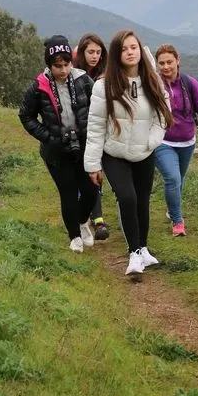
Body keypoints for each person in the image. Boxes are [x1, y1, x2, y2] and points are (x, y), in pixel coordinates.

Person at [84, 30, 172, 275]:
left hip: (144, 152)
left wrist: (151, 142)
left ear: (140, 51)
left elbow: (162, 117)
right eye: (124, 49)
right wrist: (92, 164)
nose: (130, 52)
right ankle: (133, 253)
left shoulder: (153, 81)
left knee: (142, 201)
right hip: (114, 152)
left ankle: (143, 249)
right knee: (127, 198)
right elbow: (96, 125)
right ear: (116, 54)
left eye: (134, 47)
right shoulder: (104, 86)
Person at [19, 35, 98, 253]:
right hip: (56, 150)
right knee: (68, 192)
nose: (63, 70)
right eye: (57, 66)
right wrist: (48, 137)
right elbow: (26, 116)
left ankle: (83, 221)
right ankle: (74, 236)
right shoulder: (38, 86)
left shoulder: (83, 81)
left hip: (83, 146)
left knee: (91, 191)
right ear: (49, 65)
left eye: (66, 64)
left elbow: (99, 109)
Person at [154, 43, 198, 236]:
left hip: (187, 142)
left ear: (178, 61)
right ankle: (177, 221)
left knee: (179, 180)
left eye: (169, 62)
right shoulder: (154, 84)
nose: (166, 67)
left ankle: (171, 208)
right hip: (162, 141)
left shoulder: (189, 83)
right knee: (172, 178)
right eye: (161, 63)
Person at [72, 33, 110, 241]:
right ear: (82, 53)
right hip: (79, 133)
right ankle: (94, 218)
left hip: (100, 132)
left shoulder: (106, 75)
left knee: (95, 175)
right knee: (87, 175)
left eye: (98, 52)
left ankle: (95, 218)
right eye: (90, 52)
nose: (95, 56)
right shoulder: (74, 75)